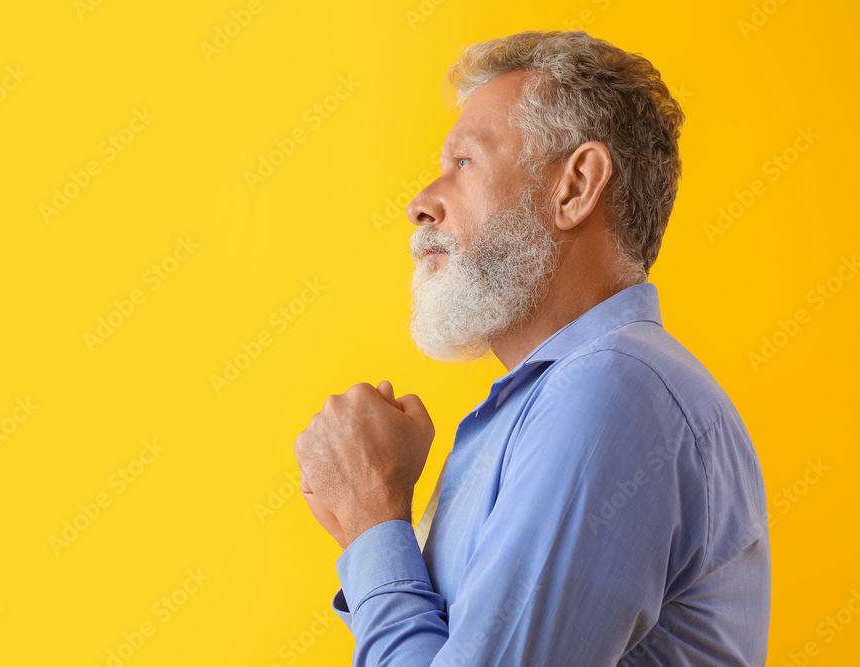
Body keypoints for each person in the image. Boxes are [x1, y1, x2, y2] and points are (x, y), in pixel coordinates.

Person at [292, 29, 770, 665]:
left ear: (575, 187)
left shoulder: (614, 392)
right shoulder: (560, 398)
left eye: (463, 163)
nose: (421, 205)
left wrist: (373, 528)